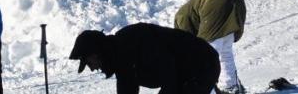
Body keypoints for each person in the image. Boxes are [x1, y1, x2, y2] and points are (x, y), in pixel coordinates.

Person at [69, 23, 220, 94]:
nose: (92, 68)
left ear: (96, 52)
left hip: (202, 64)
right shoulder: (119, 59)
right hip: (186, 73)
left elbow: (170, 75)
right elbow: (127, 90)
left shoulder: (132, 41)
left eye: (88, 62)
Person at [174, 0, 247, 94]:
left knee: (206, 57)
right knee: (225, 52)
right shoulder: (188, 10)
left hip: (216, 5)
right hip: (236, 0)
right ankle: (230, 86)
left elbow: (188, 45)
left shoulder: (180, 17)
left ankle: (207, 90)